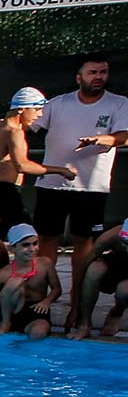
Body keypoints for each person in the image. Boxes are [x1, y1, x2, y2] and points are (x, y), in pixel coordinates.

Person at [30, 54, 128, 322]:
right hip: (52, 184)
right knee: (46, 241)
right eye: (93, 72)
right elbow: (28, 122)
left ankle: (76, 305)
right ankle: (41, 301)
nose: (98, 77)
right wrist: (5, 122)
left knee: (83, 244)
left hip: (91, 188)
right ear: (79, 77)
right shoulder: (57, 104)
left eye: (103, 72)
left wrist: (102, 139)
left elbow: (123, 135)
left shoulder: (119, 104)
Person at [0, 88, 74, 232]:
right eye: (37, 109)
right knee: (26, 236)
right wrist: (61, 170)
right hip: (6, 195)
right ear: (21, 109)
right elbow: (22, 166)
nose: (40, 114)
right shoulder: (14, 132)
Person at [0, 223, 60, 340]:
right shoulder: (4, 273)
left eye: (35, 244)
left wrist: (46, 301)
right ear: (12, 248)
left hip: (36, 311)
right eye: (26, 245)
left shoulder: (45, 264)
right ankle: (5, 324)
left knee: (38, 333)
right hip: (11, 311)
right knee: (15, 281)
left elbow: (57, 289)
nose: (32, 249)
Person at [68, 218, 128, 340]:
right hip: (117, 267)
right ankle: (85, 324)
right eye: (125, 244)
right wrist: (75, 308)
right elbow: (83, 268)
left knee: (124, 291)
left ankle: (116, 313)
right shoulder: (112, 236)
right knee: (94, 269)